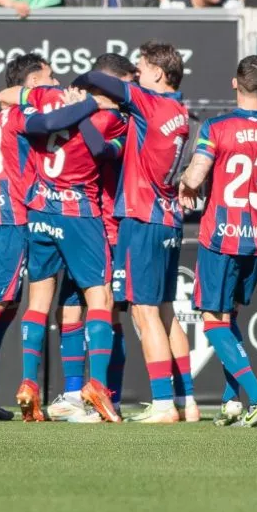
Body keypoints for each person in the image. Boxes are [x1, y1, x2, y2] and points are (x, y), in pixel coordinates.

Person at [0, 53, 108, 423]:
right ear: (32, 83)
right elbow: (52, 120)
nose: (56, 81)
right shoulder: (24, 115)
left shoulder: (4, 115)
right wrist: (90, 103)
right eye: (49, 76)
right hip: (9, 218)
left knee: (7, 308)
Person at [74, 43, 202, 424]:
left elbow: (99, 79)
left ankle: (163, 403)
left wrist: (81, 93)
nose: (137, 75)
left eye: (142, 69)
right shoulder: (181, 112)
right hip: (168, 218)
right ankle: (186, 401)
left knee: (144, 313)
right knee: (166, 313)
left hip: (141, 215)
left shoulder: (150, 102)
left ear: (158, 74)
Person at [177, 55, 257, 427]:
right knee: (229, 316)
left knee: (211, 320)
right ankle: (230, 401)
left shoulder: (217, 127)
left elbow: (198, 172)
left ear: (234, 83)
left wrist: (186, 183)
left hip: (220, 236)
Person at [7, 71, 126, 425]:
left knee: (39, 302)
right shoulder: (111, 118)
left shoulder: (46, 98)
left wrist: (58, 96)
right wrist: (92, 107)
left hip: (41, 208)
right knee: (100, 298)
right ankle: (98, 385)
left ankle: (29, 382)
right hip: (79, 212)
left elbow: (7, 94)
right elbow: (103, 151)